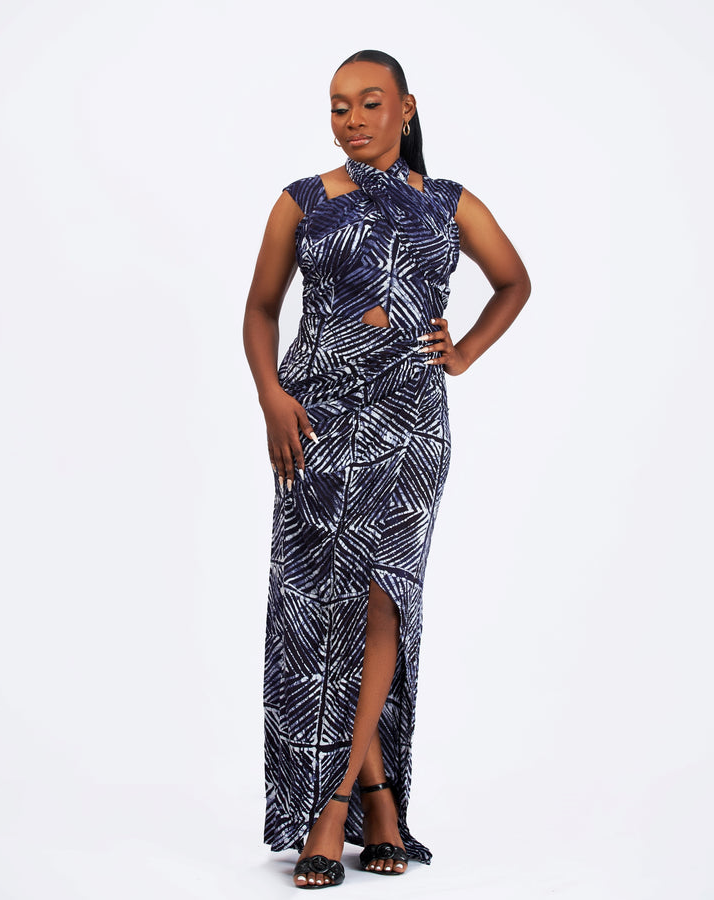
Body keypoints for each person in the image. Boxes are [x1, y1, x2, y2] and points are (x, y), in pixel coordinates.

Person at [242, 48, 531, 889]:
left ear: (406, 109)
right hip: (316, 422)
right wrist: (270, 396)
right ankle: (379, 801)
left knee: (382, 599)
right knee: (322, 605)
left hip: (410, 426)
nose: (354, 119)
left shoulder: (448, 203)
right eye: (340, 106)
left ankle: (332, 807)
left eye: (371, 102)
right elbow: (260, 309)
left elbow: (513, 281)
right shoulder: (302, 201)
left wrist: (463, 351)